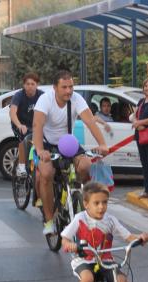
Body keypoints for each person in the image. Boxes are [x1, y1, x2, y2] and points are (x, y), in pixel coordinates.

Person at [61, 182, 148, 282]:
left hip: (105, 261)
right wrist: (69, 245)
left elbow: (128, 236)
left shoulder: (110, 220)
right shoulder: (80, 218)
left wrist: (141, 238)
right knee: (88, 280)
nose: (101, 207)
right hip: (84, 260)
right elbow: (64, 238)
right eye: (96, 203)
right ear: (86, 204)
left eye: (104, 202)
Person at [33, 70, 109, 235]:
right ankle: (49, 220)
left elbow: (89, 121)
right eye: (64, 87)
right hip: (48, 144)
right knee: (46, 174)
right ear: (55, 88)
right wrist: (40, 150)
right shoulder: (45, 100)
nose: (68, 91)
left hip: (69, 144)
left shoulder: (76, 99)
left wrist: (102, 144)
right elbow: (37, 126)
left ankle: (77, 193)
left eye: (71, 87)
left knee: (86, 165)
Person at [9, 72, 44, 177]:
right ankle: (21, 166)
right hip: (20, 123)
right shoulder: (19, 95)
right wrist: (19, 125)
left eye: (32, 84)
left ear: (37, 85)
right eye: (27, 84)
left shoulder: (42, 95)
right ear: (24, 85)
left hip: (35, 125)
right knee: (24, 139)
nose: (30, 86)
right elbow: (12, 112)